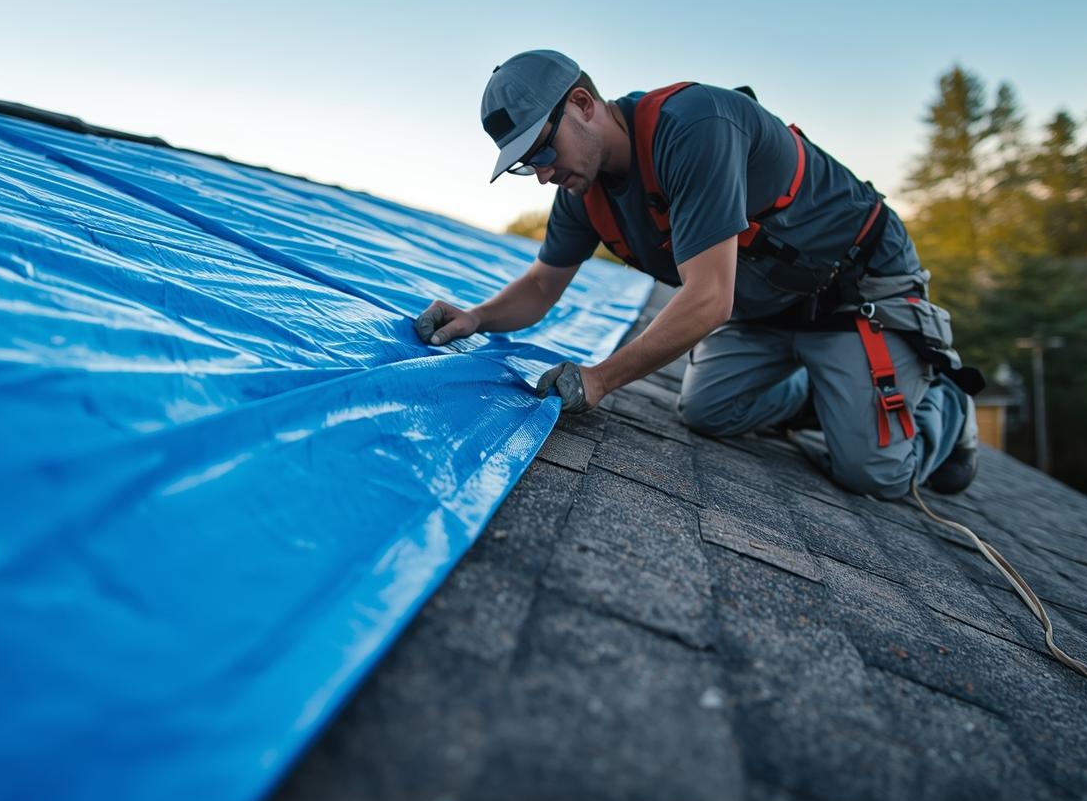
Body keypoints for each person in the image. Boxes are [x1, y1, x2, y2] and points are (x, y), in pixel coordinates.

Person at [413, 50, 980, 498]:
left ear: (583, 103)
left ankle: (949, 409)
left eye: (541, 151)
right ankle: (828, 389)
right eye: (524, 165)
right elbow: (541, 285)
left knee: (875, 474)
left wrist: (601, 378)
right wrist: (479, 316)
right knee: (709, 411)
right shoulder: (581, 190)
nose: (541, 175)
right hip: (767, 309)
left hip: (855, 292)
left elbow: (709, 301)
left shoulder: (693, 127)